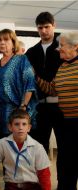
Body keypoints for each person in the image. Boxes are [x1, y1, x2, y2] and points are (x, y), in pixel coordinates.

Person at [36, 32, 78, 190]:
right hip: (66, 122)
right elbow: (52, 90)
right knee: (67, 164)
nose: (58, 49)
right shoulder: (62, 67)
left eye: (62, 45)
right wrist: (34, 76)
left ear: (75, 47)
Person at [0, 109, 51, 190]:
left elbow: (44, 173)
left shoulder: (37, 147)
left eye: (24, 124)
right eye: (16, 124)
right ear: (10, 127)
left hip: (32, 186)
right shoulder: (2, 143)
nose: (20, 127)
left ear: (29, 128)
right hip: (11, 186)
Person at [25, 12, 62, 153]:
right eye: (40, 28)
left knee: (64, 146)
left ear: (54, 25)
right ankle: (39, 175)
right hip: (39, 107)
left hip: (61, 106)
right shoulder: (31, 52)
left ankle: (62, 176)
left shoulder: (63, 49)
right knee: (38, 147)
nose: (44, 31)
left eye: (47, 27)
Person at [0, 28, 37, 137]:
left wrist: (23, 106)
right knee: (1, 146)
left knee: (16, 147)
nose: (2, 42)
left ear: (13, 43)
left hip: (16, 111)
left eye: (6, 40)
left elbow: (30, 85)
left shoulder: (22, 60)